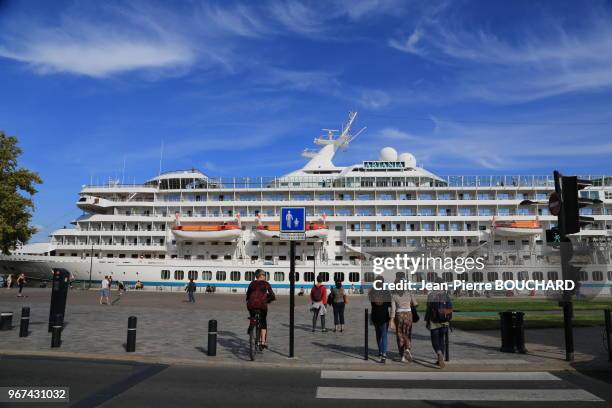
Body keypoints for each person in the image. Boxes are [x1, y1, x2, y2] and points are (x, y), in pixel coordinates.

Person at [425, 280, 453, 368]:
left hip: (434, 321)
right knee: (442, 340)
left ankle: (439, 354)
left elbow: (428, 309)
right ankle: (441, 357)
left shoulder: (431, 295)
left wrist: (427, 320)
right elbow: (450, 308)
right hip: (444, 321)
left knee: (434, 340)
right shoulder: (446, 295)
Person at [246, 269, 275, 349]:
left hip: (251, 305)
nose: (265, 277)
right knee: (263, 322)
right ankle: (263, 342)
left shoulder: (252, 283)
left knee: (252, 314)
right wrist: (269, 299)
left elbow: (248, 295)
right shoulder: (266, 284)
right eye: (264, 275)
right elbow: (272, 295)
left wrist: (249, 299)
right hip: (262, 305)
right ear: (261, 275)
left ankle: (251, 324)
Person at [390, 280, 417, 362]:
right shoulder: (409, 293)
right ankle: (408, 349)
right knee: (408, 333)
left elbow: (393, 310)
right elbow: (415, 303)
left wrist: (391, 320)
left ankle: (402, 355)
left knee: (400, 335)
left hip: (399, 315)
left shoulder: (394, 295)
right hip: (408, 315)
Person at [369, 276, 392, 363]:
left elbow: (371, 302)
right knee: (384, 335)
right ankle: (384, 354)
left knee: (378, 334)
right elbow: (389, 304)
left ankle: (380, 351)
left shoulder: (372, 292)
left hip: (375, 315)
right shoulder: (387, 292)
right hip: (384, 316)